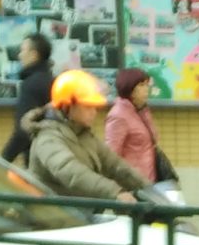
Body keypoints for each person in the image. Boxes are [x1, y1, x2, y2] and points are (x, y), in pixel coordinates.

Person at [25, 69, 168, 212]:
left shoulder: (83, 135)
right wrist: (115, 192)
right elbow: (71, 172)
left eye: (95, 107)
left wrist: (151, 190)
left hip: (81, 215)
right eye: (88, 107)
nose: (94, 112)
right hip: (54, 218)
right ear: (67, 106)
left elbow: (115, 165)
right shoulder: (48, 137)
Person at [104, 67, 181, 195]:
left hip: (150, 182)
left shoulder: (141, 111)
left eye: (146, 84)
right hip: (132, 186)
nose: (146, 89)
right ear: (129, 88)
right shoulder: (118, 115)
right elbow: (111, 156)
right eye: (141, 85)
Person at [1, 33, 53, 164]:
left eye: (22, 50)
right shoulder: (54, 81)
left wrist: (4, 159)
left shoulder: (31, 84)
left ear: (34, 55)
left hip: (36, 158)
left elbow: (23, 129)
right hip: (56, 154)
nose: (19, 55)